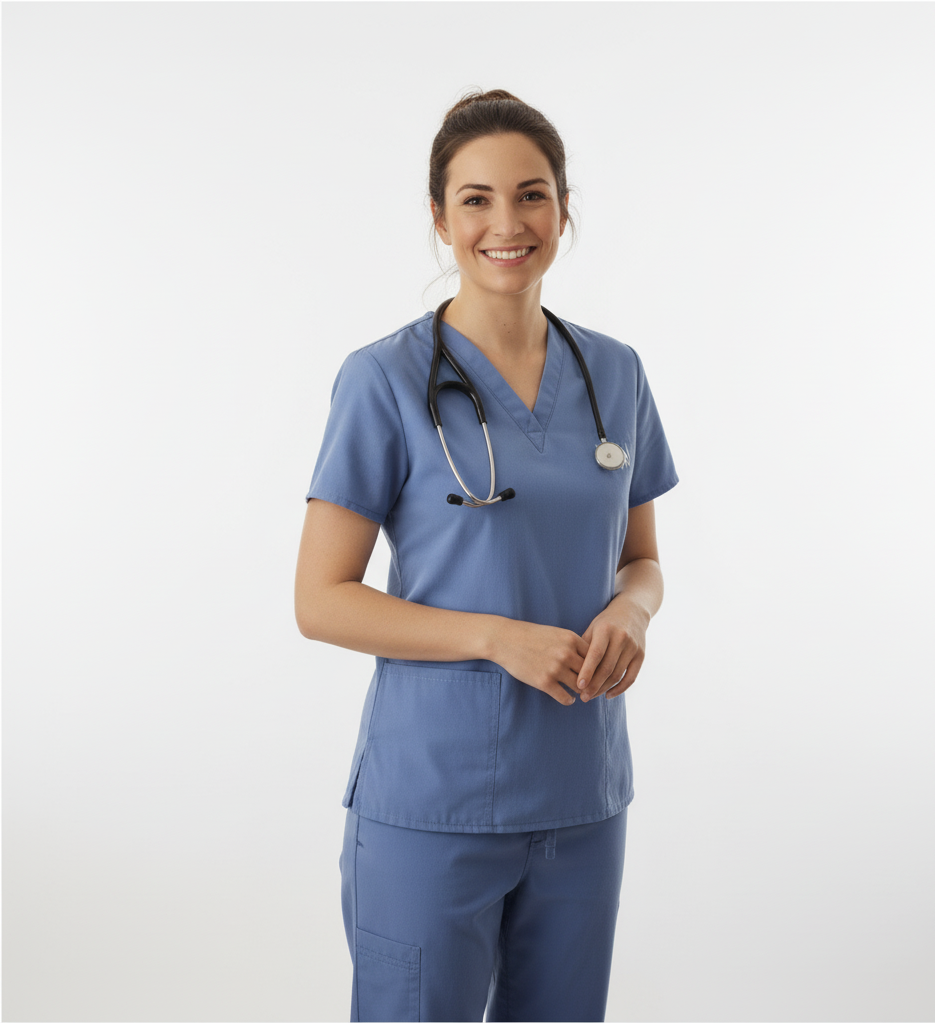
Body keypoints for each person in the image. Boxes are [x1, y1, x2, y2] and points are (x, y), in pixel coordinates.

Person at [294, 88, 679, 1023]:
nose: (506, 223)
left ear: (561, 208)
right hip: (433, 800)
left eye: (531, 194)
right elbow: (321, 599)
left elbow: (642, 560)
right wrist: (496, 638)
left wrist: (630, 611)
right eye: (475, 199)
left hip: (581, 792)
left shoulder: (614, 372)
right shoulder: (383, 380)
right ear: (438, 217)